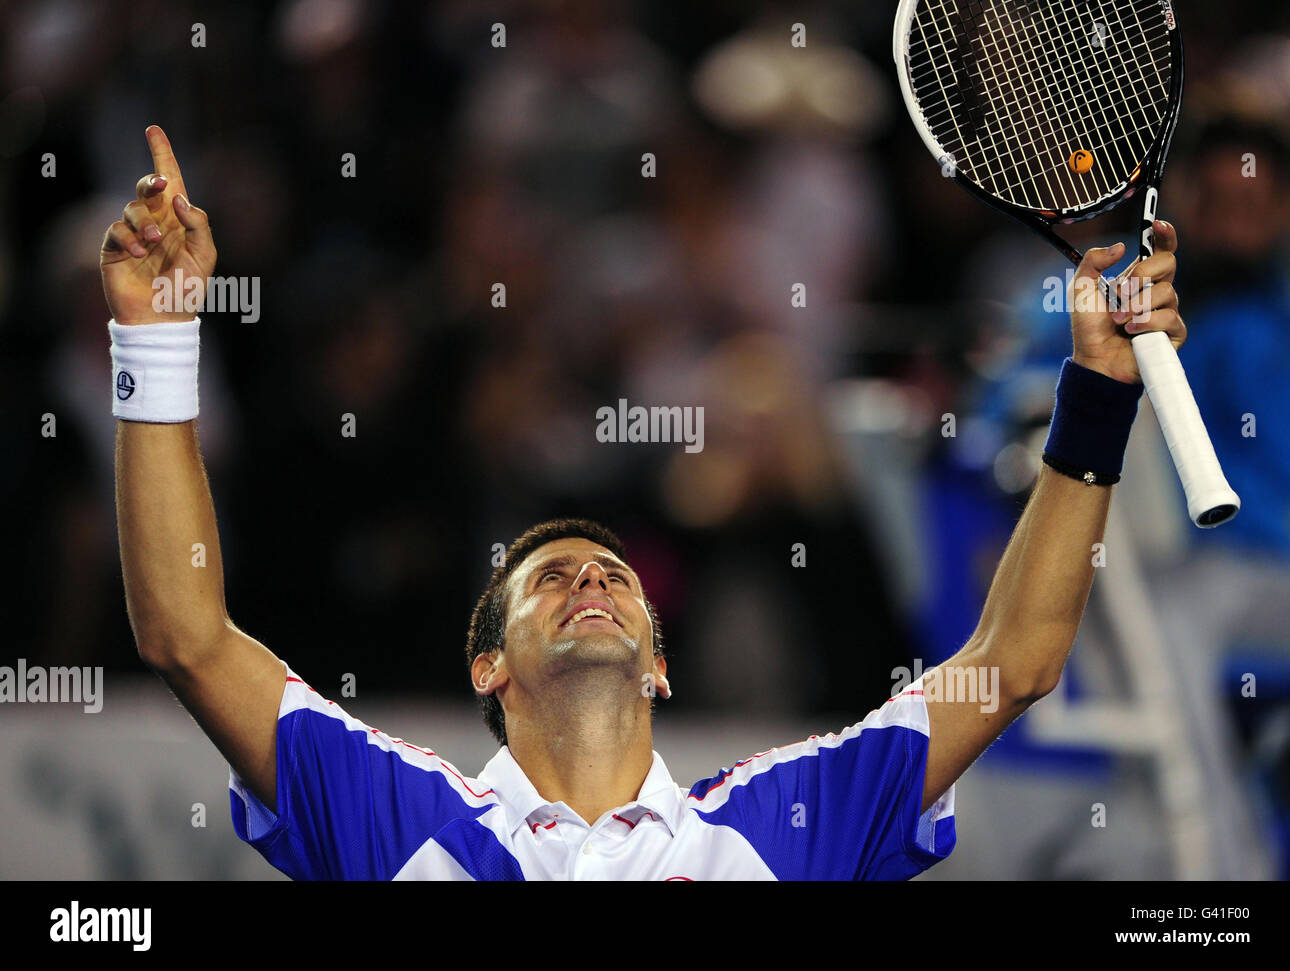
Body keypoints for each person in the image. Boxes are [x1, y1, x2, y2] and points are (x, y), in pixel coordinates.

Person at [102, 126, 1188, 880]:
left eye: (614, 574)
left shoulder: (783, 815)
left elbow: (1019, 656)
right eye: (553, 578)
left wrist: (1093, 397)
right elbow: (188, 635)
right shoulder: (394, 808)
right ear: (489, 668)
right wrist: (153, 336)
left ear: (660, 664)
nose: (591, 579)